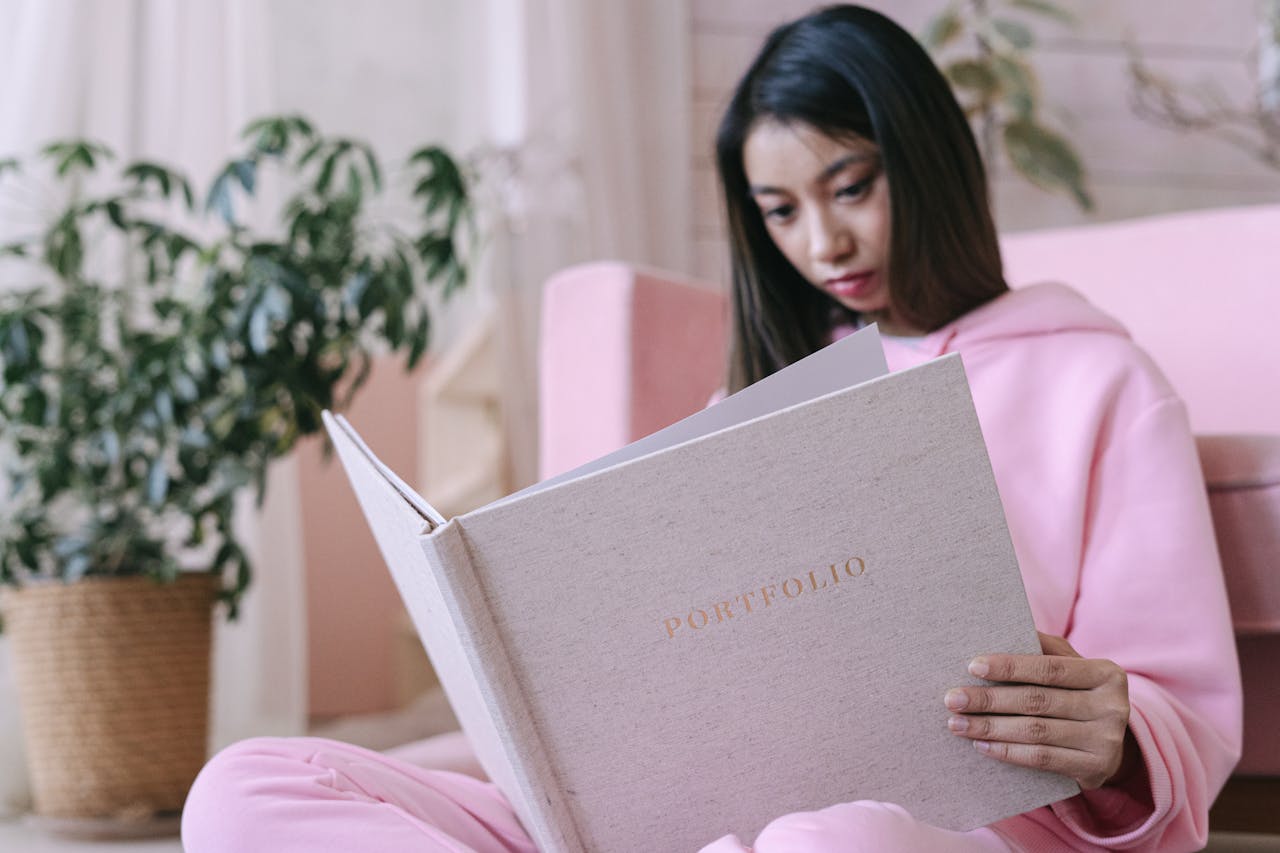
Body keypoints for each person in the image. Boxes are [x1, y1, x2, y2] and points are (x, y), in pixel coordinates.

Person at [181, 6, 1241, 851]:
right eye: (779, 210)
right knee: (247, 785)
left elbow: (1177, 709)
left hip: (934, 823)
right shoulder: (764, 399)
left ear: (924, 160)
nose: (822, 242)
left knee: (827, 841)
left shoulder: (1098, 380)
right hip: (677, 816)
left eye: (850, 186)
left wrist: (1116, 734)